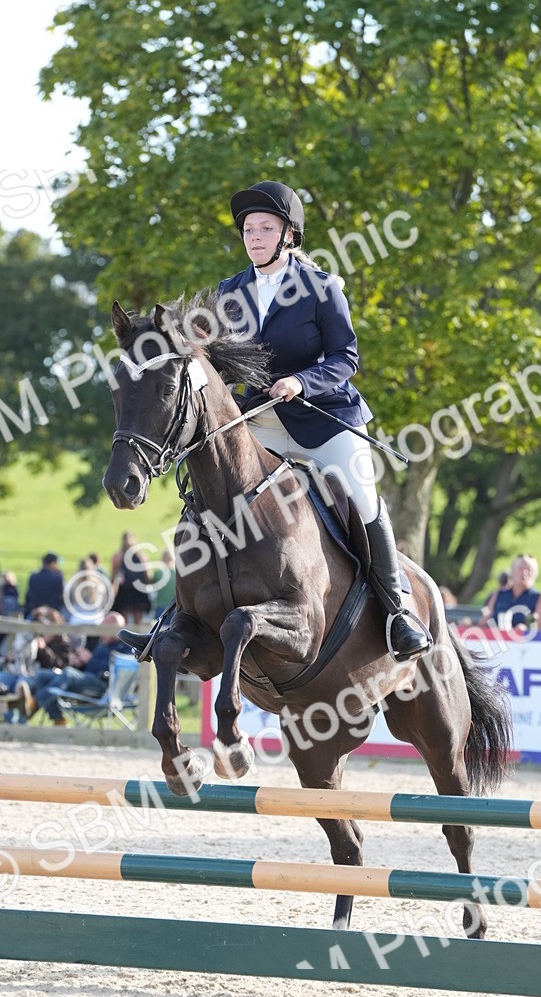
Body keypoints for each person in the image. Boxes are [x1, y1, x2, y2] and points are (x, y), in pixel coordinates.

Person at [122, 179, 430, 661]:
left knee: (363, 497)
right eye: (249, 229)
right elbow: (211, 361)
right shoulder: (229, 292)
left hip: (323, 417)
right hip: (261, 419)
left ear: (288, 235)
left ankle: (398, 611)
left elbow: (345, 358)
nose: (255, 236)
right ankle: (176, 615)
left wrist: (301, 383)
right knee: (209, 494)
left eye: (266, 228)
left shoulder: (322, 287)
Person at [33, 611, 127, 725]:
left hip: (102, 686)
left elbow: (113, 671)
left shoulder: (124, 648)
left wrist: (90, 659)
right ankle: (58, 719)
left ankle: (35, 703)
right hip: (86, 680)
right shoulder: (102, 645)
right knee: (41, 675)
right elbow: (89, 668)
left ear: (116, 630)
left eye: (105, 629)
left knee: (68, 673)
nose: (101, 633)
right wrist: (81, 662)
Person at [488, 554, 541, 632]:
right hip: (498, 641)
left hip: (526, 642)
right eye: (520, 568)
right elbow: (484, 622)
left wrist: (527, 631)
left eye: (529, 569)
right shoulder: (498, 595)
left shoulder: (540, 598)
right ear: (512, 571)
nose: (524, 572)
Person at [112, 532, 151, 624]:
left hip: (124, 591)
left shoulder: (118, 556)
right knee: (138, 622)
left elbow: (114, 576)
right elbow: (148, 576)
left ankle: (124, 638)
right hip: (138, 590)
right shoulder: (142, 557)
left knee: (123, 621)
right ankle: (138, 638)